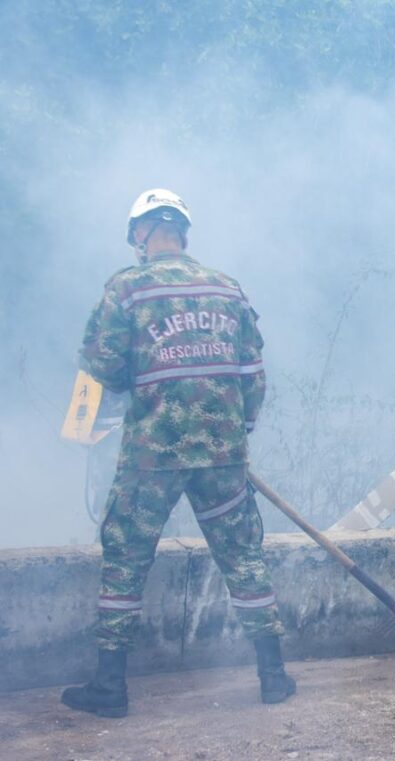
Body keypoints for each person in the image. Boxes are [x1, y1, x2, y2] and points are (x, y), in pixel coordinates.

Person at [61, 189, 292, 718]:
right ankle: (273, 677)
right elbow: (253, 375)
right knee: (244, 559)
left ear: (141, 234)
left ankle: (110, 688)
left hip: (151, 455)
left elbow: (103, 365)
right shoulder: (228, 289)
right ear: (182, 232)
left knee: (125, 560)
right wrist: (236, 434)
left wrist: (133, 383)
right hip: (223, 456)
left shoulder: (126, 287)